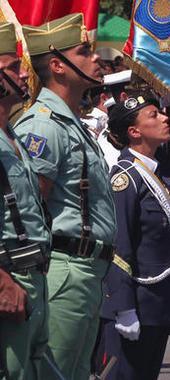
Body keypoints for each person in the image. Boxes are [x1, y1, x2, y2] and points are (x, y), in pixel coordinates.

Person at [16, 14, 113, 380]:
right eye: (85, 51)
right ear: (57, 65)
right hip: (65, 269)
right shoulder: (43, 125)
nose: (97, 59)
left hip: (86, 271)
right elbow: (30, 208)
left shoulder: (71, 122)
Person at [93, 92, 170, 379]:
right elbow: (120, 247)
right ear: (134, 132)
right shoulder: (126, 178)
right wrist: (123, 308)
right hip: (136, 303)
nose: (164, 118)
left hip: (158, 302)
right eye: (154, 116)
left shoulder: (161, 168)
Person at [0, 21, 52, 380]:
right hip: (10, 281)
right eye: (12, 67)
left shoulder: (12, 136)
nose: (23, 74)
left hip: (33, 278)